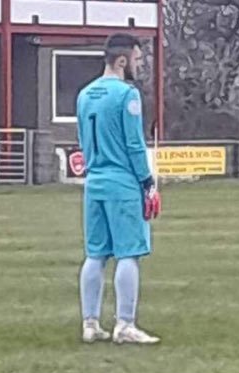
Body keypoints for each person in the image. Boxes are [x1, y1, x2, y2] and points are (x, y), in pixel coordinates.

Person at [77, 33, 161, 344]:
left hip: (94, 181)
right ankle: (125, 324)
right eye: (138, 60)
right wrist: (147, 180)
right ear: (123, 60)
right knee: (129, 253)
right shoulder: (127, 95)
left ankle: (90, 322)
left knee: (95, 254)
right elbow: (134, 144)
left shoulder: (85, 95)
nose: (140, 65)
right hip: (122, 182)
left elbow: (83, 141)